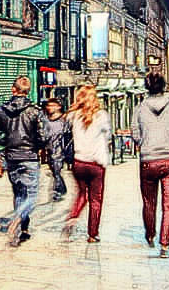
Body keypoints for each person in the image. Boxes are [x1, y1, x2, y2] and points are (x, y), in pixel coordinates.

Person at [131, 72, 169, 258]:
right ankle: (165, 245)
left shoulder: (139, 108)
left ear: (147, 87)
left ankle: (150, 235)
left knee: (149, 202)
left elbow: (135, 133)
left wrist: (144, 144)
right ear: (164, 86)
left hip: (148, 160)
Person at [0, 75, 44, 247]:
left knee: (19, 193)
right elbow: (43, 136)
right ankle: (17, 220)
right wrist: (34, 146)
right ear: (28, 91)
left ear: (13, 89)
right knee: (32, 195)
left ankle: (24, 228)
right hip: (29, 157)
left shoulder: (1, 110)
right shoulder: (35, 111)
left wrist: (9, 142)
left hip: (12, 157)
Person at [61, 84, 112, 243]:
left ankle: (73, 217)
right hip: (96, 163)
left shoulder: (73, 116)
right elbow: (108, 135)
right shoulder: (101, 115)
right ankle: (92, 234)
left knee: (82, 194)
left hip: (79, 162)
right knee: (96, 199)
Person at [42, 98, 71, 202]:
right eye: (48, 106)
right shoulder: (45, 120)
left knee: (56, 170)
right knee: (54, 171)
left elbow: (68, 135)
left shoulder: (64, 120)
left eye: (52, 105)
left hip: (60, 149)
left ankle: (58, 191)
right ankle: (61, 189)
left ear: (59, 107)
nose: (49, 108)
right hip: (49, 149)